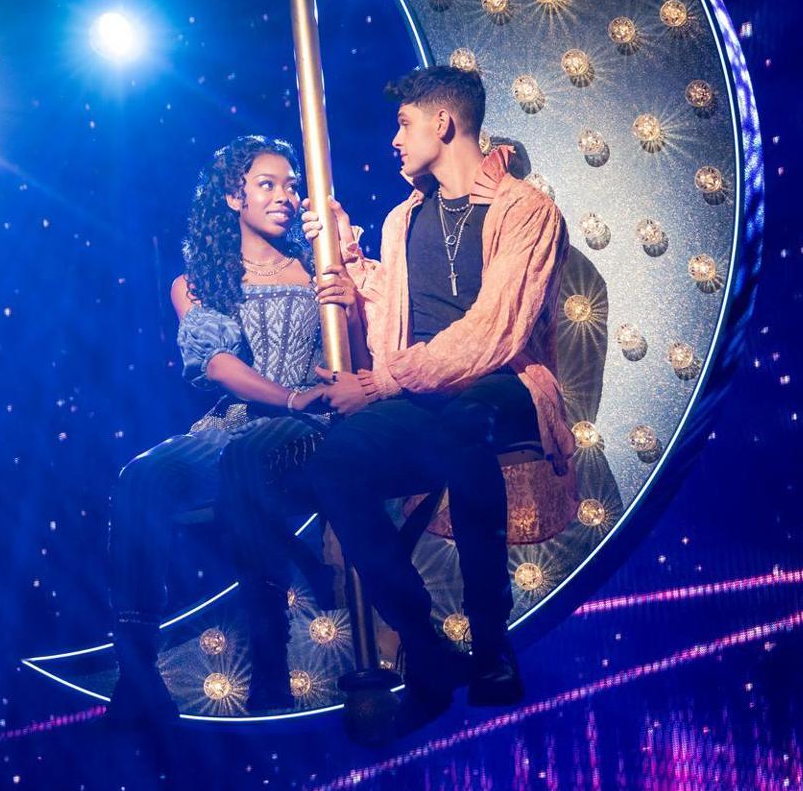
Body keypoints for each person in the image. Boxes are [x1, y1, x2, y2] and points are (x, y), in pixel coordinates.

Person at [223, 65, 574, 731]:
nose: (395, 137)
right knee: (333, 464)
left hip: (502, 383)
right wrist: (348, 264)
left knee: (463, 424)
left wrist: (384, 383)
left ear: (443, 123)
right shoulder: (402, 219)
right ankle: (424, 642)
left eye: (404, 121)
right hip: (424, 389)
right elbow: (401, 312)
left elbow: (495, 329)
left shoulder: (525, 208)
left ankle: (492, 644)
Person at [105, 135, 354, 725]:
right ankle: (137, 674)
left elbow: (362, 347)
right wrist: (285, 394)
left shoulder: (320, 265)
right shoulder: (197, 283)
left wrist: (350, 286)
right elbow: (217, 365)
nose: (285, 196)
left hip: (312, 422)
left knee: (252, 457)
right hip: (239, 420)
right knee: (140, 477)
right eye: (268, 184)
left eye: (292, 185)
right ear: (232, 196)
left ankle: (270, 660)